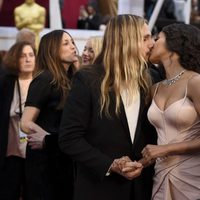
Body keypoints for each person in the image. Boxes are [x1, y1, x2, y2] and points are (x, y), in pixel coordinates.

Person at [59, 14, 157, 200]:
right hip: (99, 189)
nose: (151, 43)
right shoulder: (88, 79)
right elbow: (69, 138)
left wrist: (142, 164)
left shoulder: (149, 79)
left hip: (140, 188)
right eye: (145, 38)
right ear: (124, 41)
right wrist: (111, 165)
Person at [141, 23, 200, 199]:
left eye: (157, 38)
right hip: (160, 175)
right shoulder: (155, 88)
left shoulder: (195, 82)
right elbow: (160, 142)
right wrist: (140, 163)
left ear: (174, 46)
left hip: (192, 177)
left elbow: (163, 148)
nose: (151, 43)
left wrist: (164, 150)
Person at [20, 30, 78, 200]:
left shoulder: (72, 79)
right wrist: (47, 138)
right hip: (45, 162)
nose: (73, 47)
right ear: (52, 49)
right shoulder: (45, 79)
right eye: (66, 43)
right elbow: (25, 122)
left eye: (72, 42)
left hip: (62, 157)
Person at [0, 41, 36, 200]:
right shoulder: (5, 83)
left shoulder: (42, 82)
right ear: (15, 58)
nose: (28, 59)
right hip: (10, 151)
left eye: (31, 55)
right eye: (23, 56)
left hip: (35, 152)